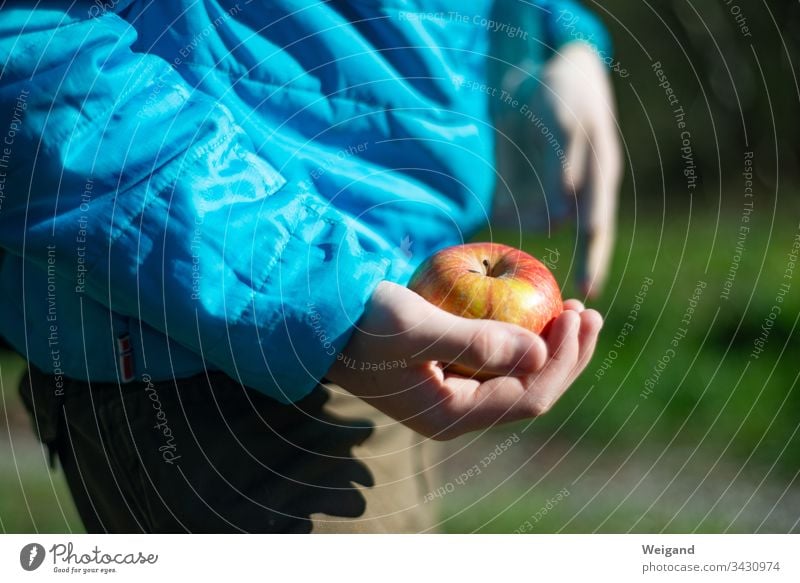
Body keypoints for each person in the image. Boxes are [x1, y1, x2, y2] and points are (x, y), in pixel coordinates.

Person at [0, 0, 619, 533]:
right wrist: (316, 292)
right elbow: (33, 52)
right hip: (201, 343)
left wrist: (555, 30)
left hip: (397, 309)